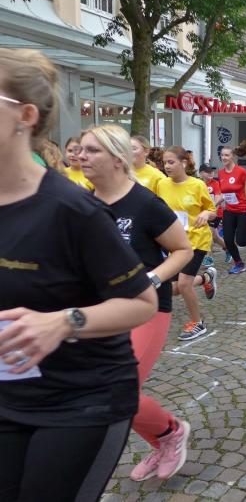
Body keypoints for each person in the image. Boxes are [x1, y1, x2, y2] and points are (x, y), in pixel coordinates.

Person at [0, 48, 157, 502]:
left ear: (25, 116)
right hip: (10, 396)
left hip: (83, 399)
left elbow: (142, 302)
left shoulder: (72, 209)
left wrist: (65, 321)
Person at [79, 124, 195, 482]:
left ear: (117, 159)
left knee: (119, 388)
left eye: (92, 150)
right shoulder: (83, 205)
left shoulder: (145, 203)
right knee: (100, 389)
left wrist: (152, 279)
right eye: (80, 149)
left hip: (147, 307)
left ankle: (171, 432)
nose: (81, 156)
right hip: (101, 310)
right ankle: (162, 441)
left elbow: (183, 250)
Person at [157, 146, 218, 341]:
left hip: (196, 240)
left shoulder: (197, 185)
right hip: (174, 242)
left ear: (183, 163)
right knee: (170, 289)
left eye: (171, 162)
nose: (167, 166)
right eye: (165, 163)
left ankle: (197, 323)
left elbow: (212, 210)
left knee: (183, 284)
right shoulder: (162, 184)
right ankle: (206, 278)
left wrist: (205, 214)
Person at [219, 144, 246, 274]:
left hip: (243, 210)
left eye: (227, 155)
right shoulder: (221, 173)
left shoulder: (241, 172)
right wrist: (215, 204)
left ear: (233, 157)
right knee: (228, 240)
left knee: (241, 241)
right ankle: (239, 264)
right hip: (229, 210)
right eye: (222, 155)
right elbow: (224, 193)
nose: (224, 157)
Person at [198, 163, 227, 267]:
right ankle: (229, 249)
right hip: (202, 214)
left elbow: (218, 199)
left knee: (208, 233)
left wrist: (212, 211)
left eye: (212, 171)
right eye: (208, 172)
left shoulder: (215, 183)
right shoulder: (197, 183)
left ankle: (208, 258)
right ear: (201, 173)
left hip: (215, 213)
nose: (211, 173)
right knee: (215, 237)